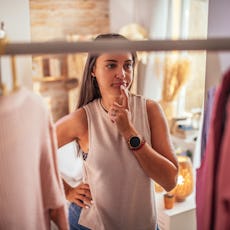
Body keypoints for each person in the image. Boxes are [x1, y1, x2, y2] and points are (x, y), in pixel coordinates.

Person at [55, 33, 178, 230]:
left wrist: (129, 131)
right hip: (92, 224)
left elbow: (170, 181)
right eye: (111, 65)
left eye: (127, 65)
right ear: (93, 70)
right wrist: (67, 191)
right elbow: (35, 153)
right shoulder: (82, 119)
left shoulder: (150, 110)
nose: (122, 74)